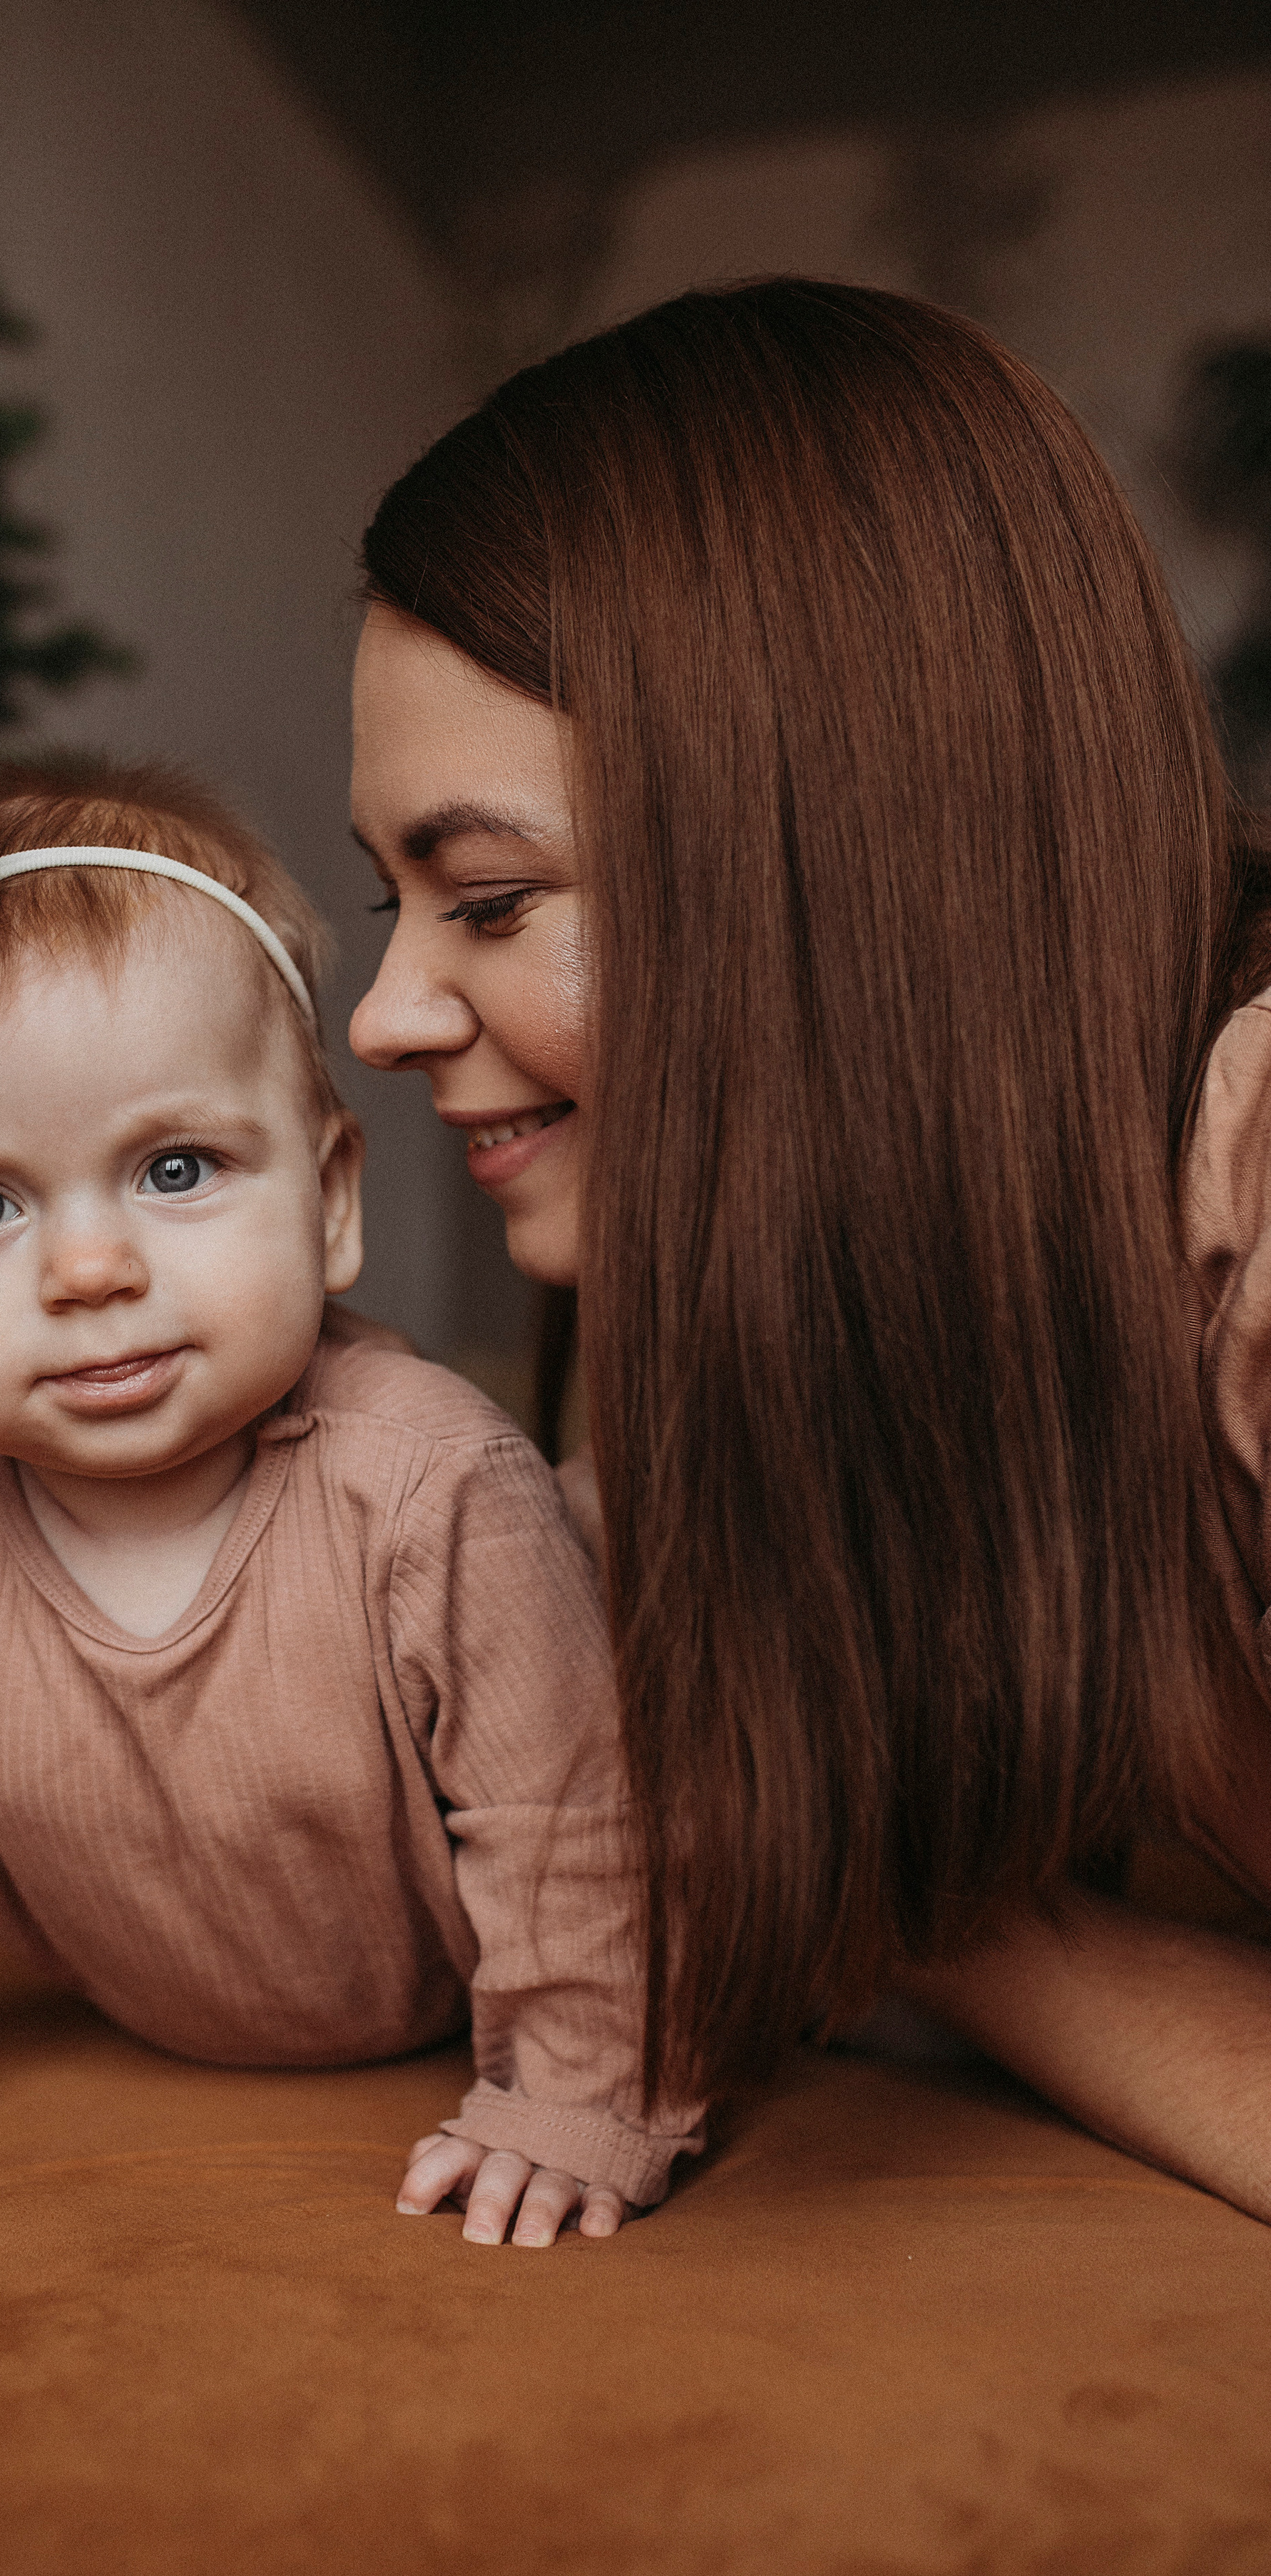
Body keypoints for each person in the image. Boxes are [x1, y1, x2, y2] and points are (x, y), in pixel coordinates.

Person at [348, 277, 1271, 2222]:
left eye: (492, 900)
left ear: (830, 869)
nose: (386, 1015)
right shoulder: (895, 1320)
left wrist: (937, 1916)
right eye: (393, 906)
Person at [0, 733, 702, 2243]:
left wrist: (579, 2097)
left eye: (178, 1169)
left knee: (641, 1639)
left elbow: (567, 1823)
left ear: (328, 1202)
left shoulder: (424, 1482)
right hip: (178, 2005)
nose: (90, 1270)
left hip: (481, 1964)